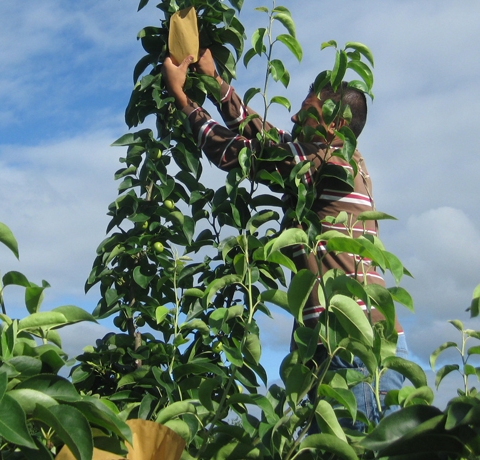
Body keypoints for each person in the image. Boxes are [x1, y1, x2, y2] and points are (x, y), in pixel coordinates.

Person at [162, 49, 407, 429]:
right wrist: (216, 83)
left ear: (332, 126)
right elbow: (270, 138)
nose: (293, 117)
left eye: (306, 111)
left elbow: (241, 154)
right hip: (357, 345)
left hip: (350, 350)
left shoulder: (326, 165)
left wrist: (183, 99)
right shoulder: (346, 157)